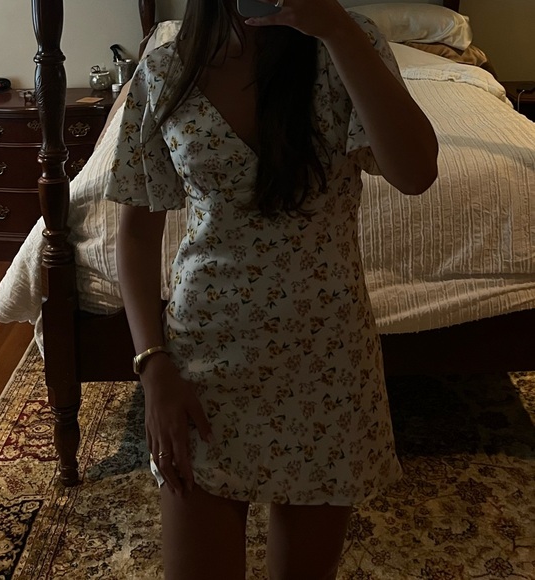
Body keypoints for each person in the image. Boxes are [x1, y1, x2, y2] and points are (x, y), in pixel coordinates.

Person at [105, 0, 438, 578]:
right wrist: (152, 365)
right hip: (201, 366)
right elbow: (135, 235)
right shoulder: (163, 71)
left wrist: (336, 30)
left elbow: (416, 173)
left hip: (325, 365)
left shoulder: (345, 45)